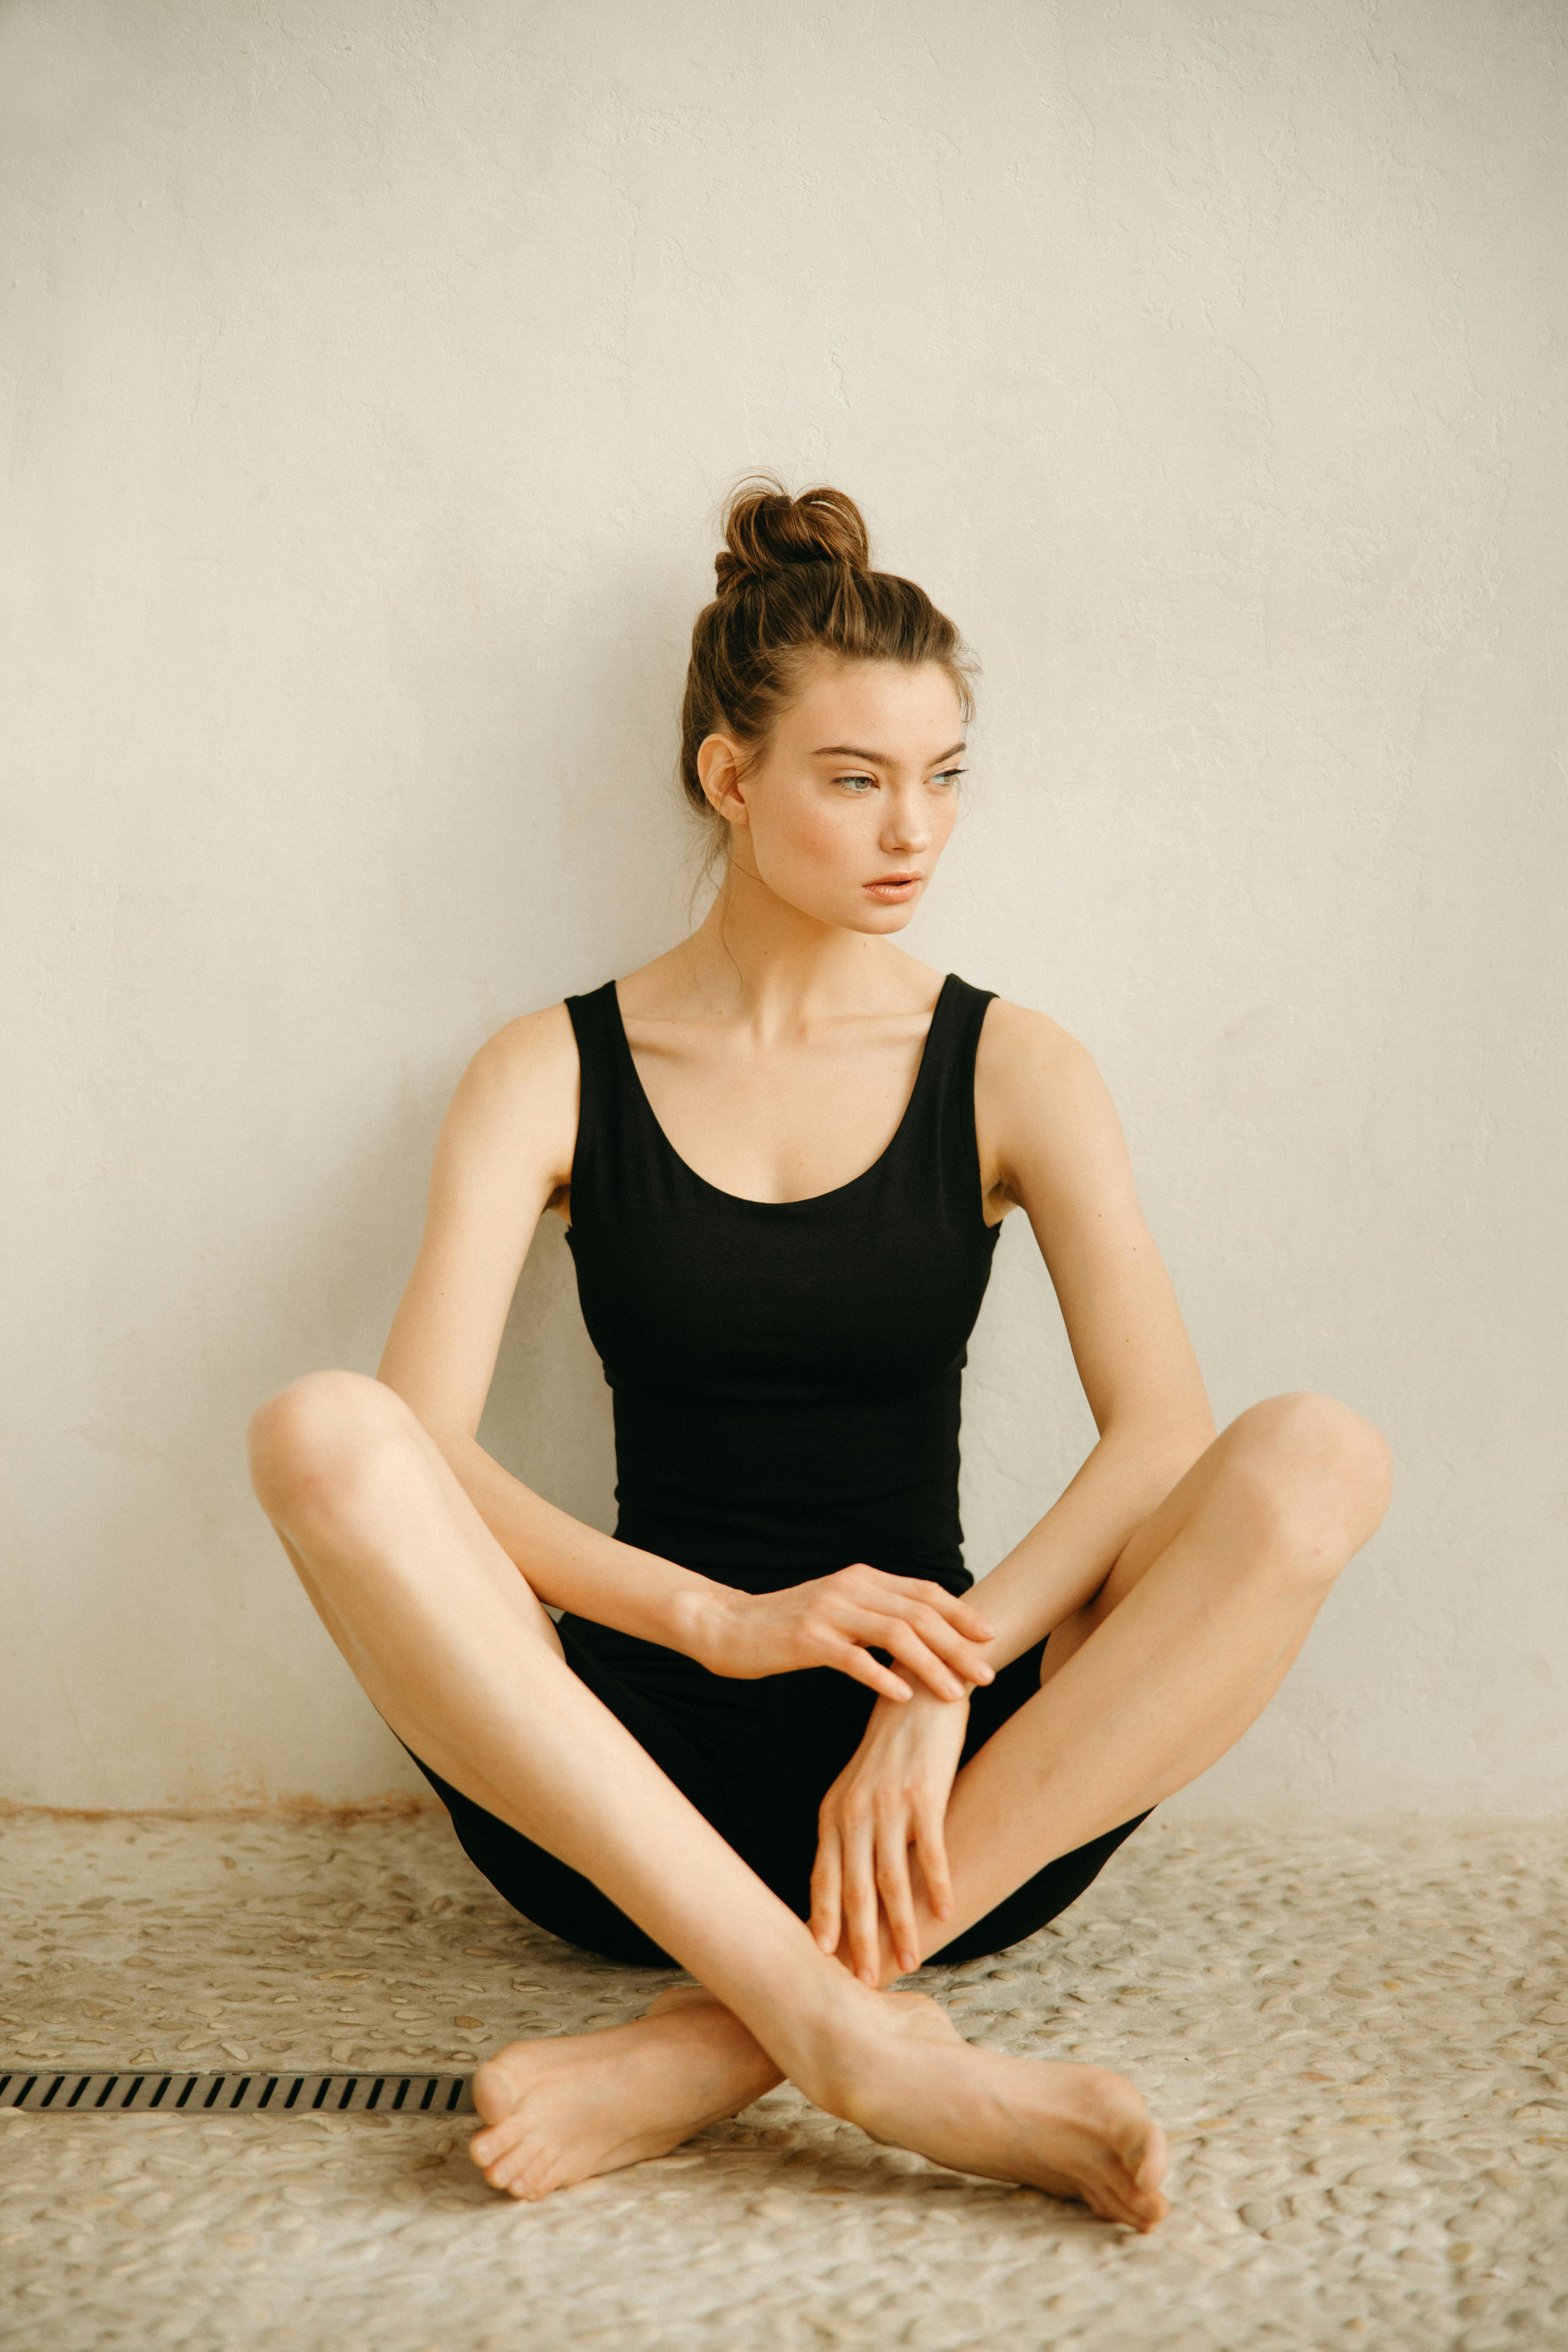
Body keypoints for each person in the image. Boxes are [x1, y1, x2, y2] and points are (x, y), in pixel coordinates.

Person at [246, 480, 1391, 2232]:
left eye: (942, 778)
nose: (910, 831)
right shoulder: (546, 1069)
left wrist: (942, 1682)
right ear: (730, 777)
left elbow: (1160, 1434)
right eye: (855, 779)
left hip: (943, 1805)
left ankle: (710, 2051)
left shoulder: (1019, 1066)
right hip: (624, 1785)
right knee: (324, 1432)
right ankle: (861, 2052)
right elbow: (430, 1453)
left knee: (1317, 1454)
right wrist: (717, 1619)